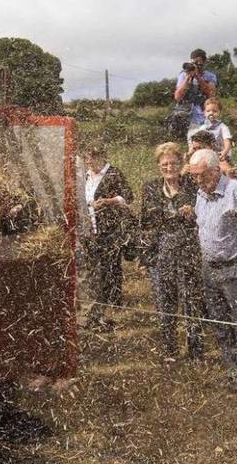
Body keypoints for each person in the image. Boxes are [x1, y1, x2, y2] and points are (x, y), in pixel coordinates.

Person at [186, 149, 237, 390]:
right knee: (220, 325)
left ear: (215, 170)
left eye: (201, 175)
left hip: (235, 268)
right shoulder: (201, 194)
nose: (198, 181)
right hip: (209, 269)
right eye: (194, 176)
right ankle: (235, 372)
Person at [139, 142, 204, 360]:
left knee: (191, 301)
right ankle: (169, 350)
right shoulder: (150, 188)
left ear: (181, 163)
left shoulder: (192, 186)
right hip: (161, 252)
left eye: (173, 163)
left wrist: (192, 212)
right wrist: (144, 257)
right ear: (158, 165)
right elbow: (146, 222)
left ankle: (195, 350)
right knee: (164, 302)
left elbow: (203, 214)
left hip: (189, 250)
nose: (169, 167)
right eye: (165, 164)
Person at [81, 143, 134, 332]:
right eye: (86, 158)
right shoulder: (84, 175)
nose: (89, 161)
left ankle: (107, 314)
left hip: (110, 232)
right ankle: (94, 314)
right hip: (89, 232)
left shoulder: (113, 174)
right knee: (91, 273)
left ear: (102, 156)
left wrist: (109, 201)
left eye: (92, 157)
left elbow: (128, 196)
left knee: (108, 273)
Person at [173, 49, 217, 136]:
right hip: (186, 113)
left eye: (198, 63)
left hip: (203, 113)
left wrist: (197, 77)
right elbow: (177, 97)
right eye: (193, 63)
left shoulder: (210, 76)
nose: (195, 66)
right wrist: (188, 78)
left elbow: (211, 93)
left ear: (204, 62)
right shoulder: (183, 75)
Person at [189, 97, 233, 163]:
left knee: (222, 166)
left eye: (214, 111)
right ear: (204, 113)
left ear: (220, 112)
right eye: (208, 111)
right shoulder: (203, 127)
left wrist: (224, 152)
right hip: (208, 154)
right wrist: (191, 150)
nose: (211, 113)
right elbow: (195, 140)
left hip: (221, 155)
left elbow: (227, 142)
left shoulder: (223, 127)